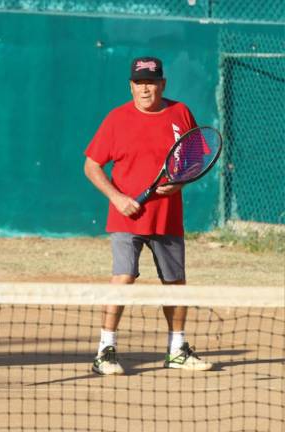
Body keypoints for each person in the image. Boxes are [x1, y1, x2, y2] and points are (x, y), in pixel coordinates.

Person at [83, 57, 214, 375]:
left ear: (163, 84)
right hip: (126, 217)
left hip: (167, 216)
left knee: (175, 283)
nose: (146, 88)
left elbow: (195, 159)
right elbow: (91, 165)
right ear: (131, 86)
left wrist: (180, 181)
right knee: (124, 277)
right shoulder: (116, 119)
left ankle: (177, 349)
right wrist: (117, 197)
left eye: (152, 82)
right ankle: (105, 350)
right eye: (140, 82)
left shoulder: (180, 112)